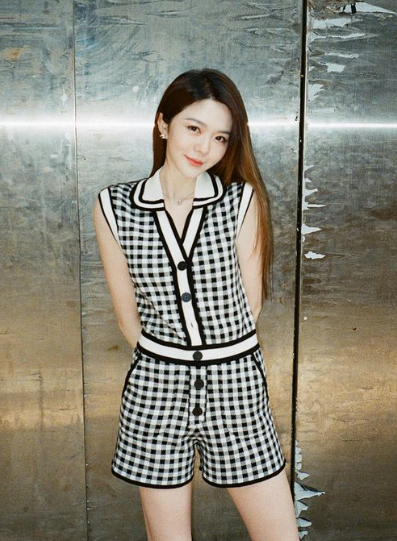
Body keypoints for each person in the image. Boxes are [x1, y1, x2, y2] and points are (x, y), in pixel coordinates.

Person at [93, 68, 300, 541]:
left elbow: (249, 308)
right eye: (194, 128)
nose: (205, 147)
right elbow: (127, 318)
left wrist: (214, 356)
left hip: (235, 385)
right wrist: (169, 360)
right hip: (156, 390)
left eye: (220, 137)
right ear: (163, 124)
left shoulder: (240, 201)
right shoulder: (114, 205)